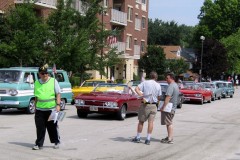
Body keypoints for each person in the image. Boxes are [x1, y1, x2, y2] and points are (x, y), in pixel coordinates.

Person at [32, 65, 61, 150]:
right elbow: (36, 97)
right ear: (39, 74)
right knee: (40, 127)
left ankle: (56, 141)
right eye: (42, 73)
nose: (45, 75)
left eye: (46, 73)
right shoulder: (37, 83)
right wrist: (35, 107)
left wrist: (58, 105)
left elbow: (58, 94)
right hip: (39, 109)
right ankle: (39, 144)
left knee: (52, 127)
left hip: (51, 109)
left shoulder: (53, 81)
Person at [132, 71, 162, 145]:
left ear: (150, 76)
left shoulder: (145, 83)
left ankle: (138, 137)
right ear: (156, 77)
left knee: (141, 121)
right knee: (151, 122)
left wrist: (142, 96)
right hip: (154, 105)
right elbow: (159, 97)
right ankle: (148, 139)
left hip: (146, 104)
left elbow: (136, 89)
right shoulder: (158, 85)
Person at [160, 72, 179, 144]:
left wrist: (163, 107)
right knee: (168, 122)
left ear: (171, 78)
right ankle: (169, 137)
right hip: (173, 107)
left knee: (169, 123)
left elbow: (168, 97)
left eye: (167, 78)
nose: (166, 80)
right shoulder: (176, 85)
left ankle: (170, 138)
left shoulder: (171, 86)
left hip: (169, 108)